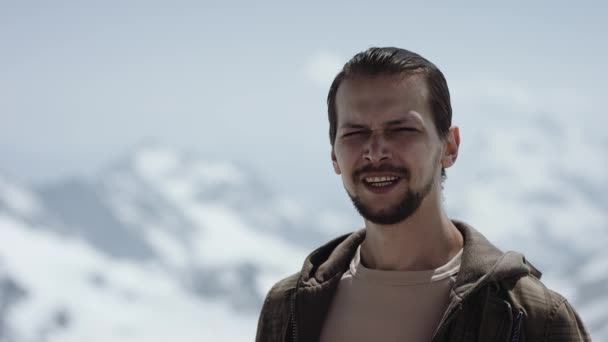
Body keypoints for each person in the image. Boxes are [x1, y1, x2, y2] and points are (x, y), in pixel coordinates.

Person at [255, 47, 590, 342]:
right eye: (355, 133)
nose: (376, 151)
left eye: (401, 130)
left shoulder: (535, 318)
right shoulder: (288, 307)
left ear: (449, 146)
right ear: (334, 156)